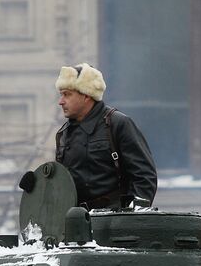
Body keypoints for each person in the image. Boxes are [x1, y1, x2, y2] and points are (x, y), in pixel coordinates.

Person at [55, 63, 157, 211]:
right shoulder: (64, 133)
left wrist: (131, 217)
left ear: (86, 95)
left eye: (67, 94)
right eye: (61, 95)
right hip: (77, 222)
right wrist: (39, 184)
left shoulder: (117, 124)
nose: (61, 101)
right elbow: (62, 183)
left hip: (114, 222)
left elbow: (144, 177)